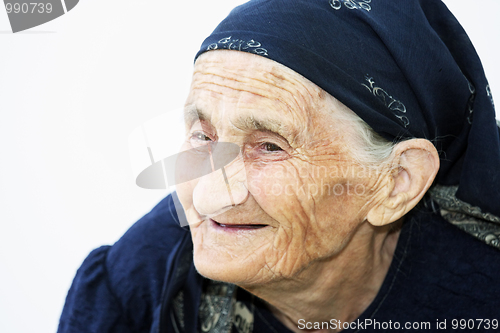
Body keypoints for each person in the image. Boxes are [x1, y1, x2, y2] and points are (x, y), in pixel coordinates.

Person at [58, 0, 500, 332]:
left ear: (396, 182)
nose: (209, 194)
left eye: (269, 146)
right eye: (202, 136)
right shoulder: (140, 283)